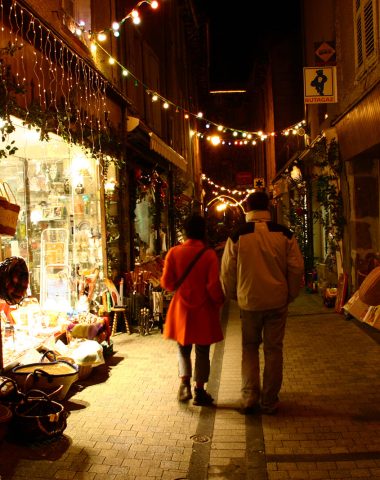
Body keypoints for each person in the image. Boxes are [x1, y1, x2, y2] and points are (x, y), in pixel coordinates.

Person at [220, 190, 304, 415]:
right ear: (268, 207)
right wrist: (291, 293)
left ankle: (249, 398)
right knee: (274, 350)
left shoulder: (237, 236)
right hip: (277, 301)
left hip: (249, 302)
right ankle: (269, 400)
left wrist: (234, 294)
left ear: (247, 207)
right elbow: (296, 268)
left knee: (249, 349)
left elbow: (227, 270)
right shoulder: (285, 234)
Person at [160, 213, 225, 406]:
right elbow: (213, 286)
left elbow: (167, 283)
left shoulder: (174, 252)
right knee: (203, 352)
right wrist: (219, 301)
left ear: (185, 232)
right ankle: (200, 391)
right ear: (202, 232)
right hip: (204, 310)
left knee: (183, 349)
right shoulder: (209, 255)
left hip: (181, 310)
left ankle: (184, 384)